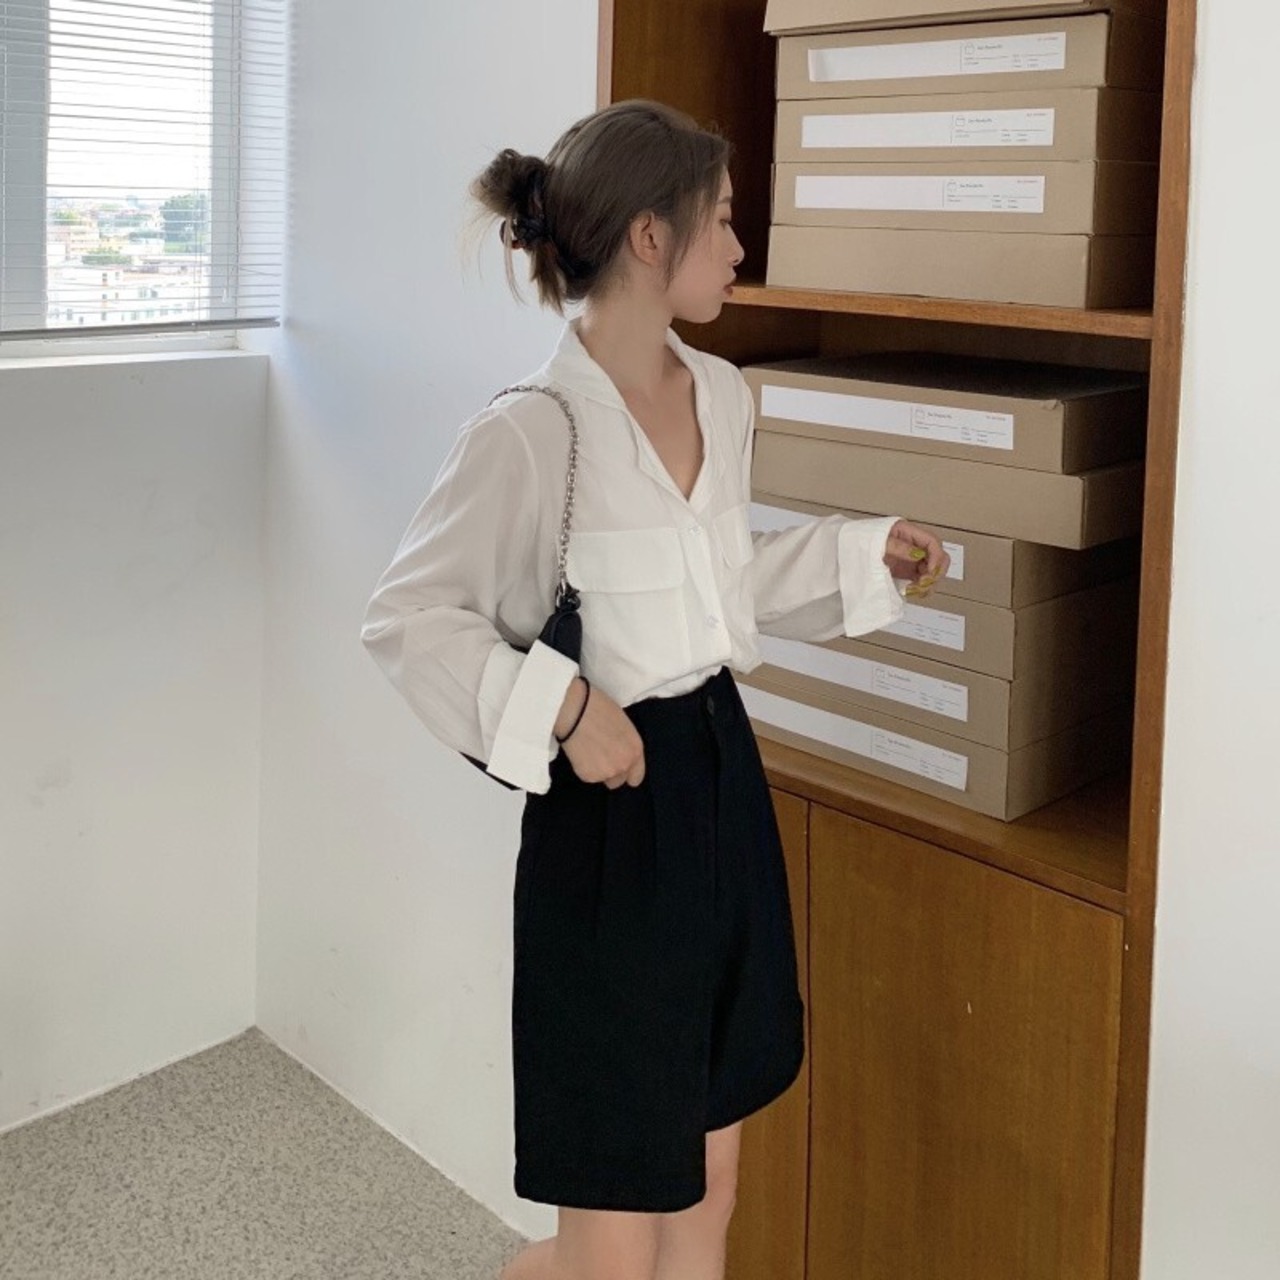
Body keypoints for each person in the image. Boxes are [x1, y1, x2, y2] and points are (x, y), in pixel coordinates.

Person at [360, 99, 948, 1280]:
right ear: (647, 236)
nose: (737, 247)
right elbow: (408, 620)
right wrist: (568, 711)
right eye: (720, 220)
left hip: (720, 785)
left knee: (709, 1182)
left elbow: (718, 590)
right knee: (614, 1223)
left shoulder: (723, 393)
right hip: (606, 823)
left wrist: (856, 553)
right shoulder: (527, 432)